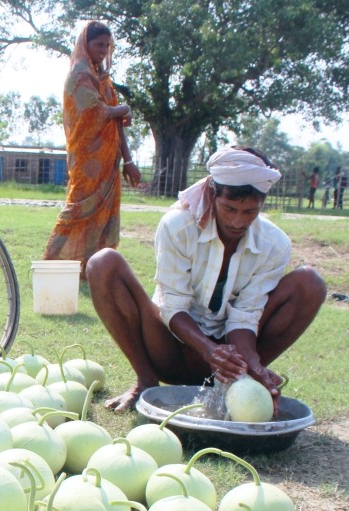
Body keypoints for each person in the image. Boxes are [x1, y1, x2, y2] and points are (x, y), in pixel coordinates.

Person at [84, 146, 327, 413]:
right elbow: (173, 304)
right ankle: (145, 382)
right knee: (103, 263)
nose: (237, 222)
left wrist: (251, 363)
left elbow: (245, 316)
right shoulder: (178, 225)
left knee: (310, 283)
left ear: (262, 204)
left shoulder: (274, 244)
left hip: (226, 357)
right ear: (212, 194)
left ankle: (238, 382)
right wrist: (207, 349)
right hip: (169, 347)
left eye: (249, 212)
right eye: (229, 208)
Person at [43, 20, 142, 272]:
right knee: (78, 208)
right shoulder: (80, 74)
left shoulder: (103, 78)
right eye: (99, 44)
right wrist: (122, 108)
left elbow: (115, 121)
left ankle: (92, 269)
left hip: (109, 159)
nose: (103, 50)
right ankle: (51, 264)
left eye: (107, 46)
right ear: (85, 44)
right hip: (87, 160)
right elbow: (96, 112)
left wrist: (128, 161)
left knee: (104, 214)